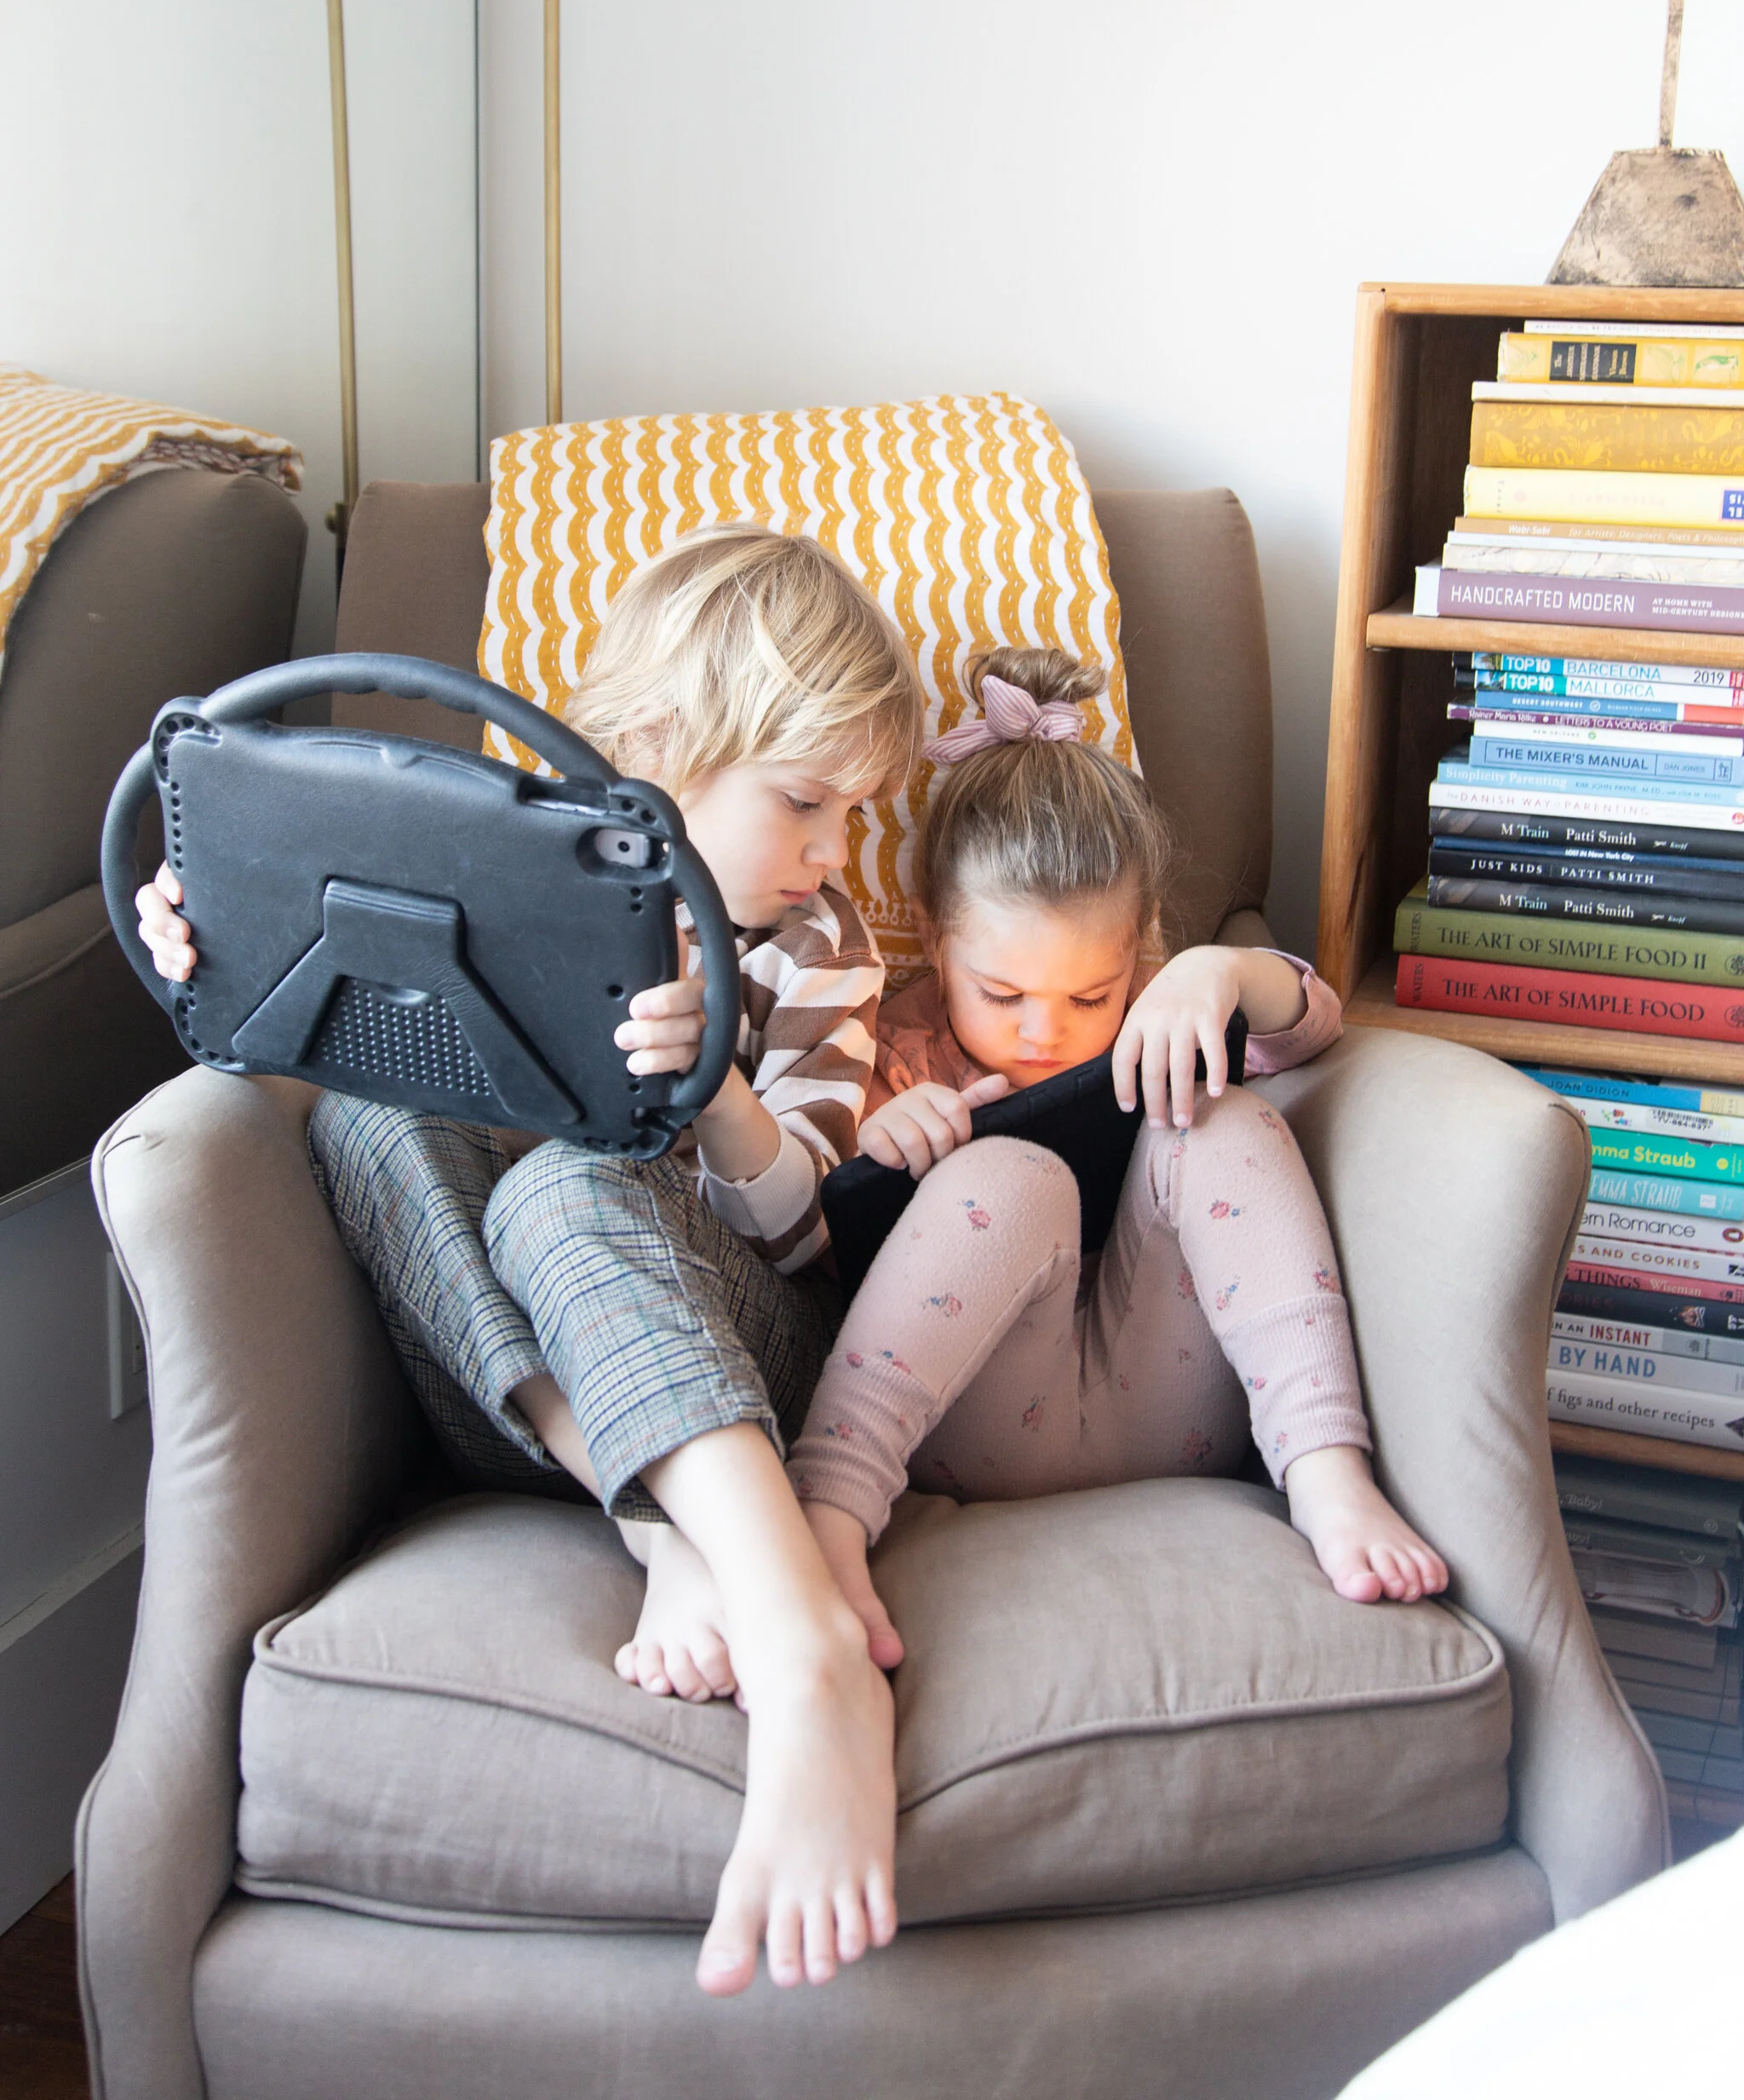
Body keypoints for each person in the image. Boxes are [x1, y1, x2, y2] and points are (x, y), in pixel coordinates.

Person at [137, 524, 927, 2000]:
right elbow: (316, 1020)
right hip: (515, 1396)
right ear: (655, 747)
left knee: (570, 1187)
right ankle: (652, 1534)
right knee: (375, 1126)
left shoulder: (810, 942)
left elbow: (808, 1234)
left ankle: (796, 1634)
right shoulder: (487, 867)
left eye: (853, 812)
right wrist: (211, 940)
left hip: (737, 1378)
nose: (833, 849)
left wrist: (720, 1085)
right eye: (806, 802)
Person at [783, 645, 1448, 1672]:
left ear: (1133, 949)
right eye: (1001, 994)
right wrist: (878, 1143)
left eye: (1088, 995)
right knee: (1011, 1174)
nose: (1045, 1031)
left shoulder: (1163, 999)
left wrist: (1215, 972)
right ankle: (828, 1508)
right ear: (935, 938)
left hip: (1166, 1404)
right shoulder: (886, 1045)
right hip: (975, 1424)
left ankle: (1325, 1468)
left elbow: (1307, 1027)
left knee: (1222, 1120)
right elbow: (810, 1245)